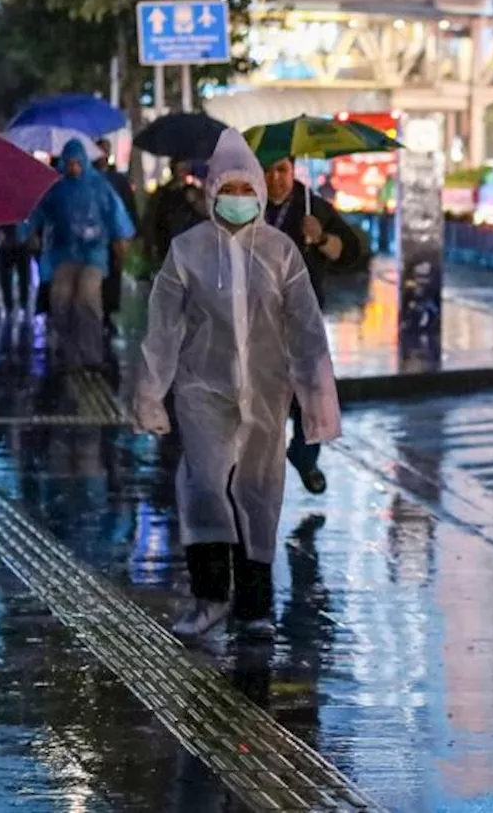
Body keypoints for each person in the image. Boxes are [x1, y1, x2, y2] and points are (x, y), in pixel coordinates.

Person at [133, 128, 341, 639]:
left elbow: (307, 327)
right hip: (202, 388)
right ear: (211, 192)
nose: (239, 200)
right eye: (229, 190)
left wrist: (317, 394)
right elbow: (163, 326)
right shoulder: (187, 251)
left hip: (267, 391)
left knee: (259, 493)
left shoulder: (280, 251)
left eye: (248, 191)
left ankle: (254, 607)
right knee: (205, 486)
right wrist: (150, 392)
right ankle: (209, 597)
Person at [263, 156, 362, 495]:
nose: (275, 178)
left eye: (282, 170)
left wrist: (320, 239)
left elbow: (350, 253)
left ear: (293, 171)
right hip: (257, 319)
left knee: (313, 393)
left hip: (303, 316)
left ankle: (305, 456)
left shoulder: (314, 207)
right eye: (268, 171)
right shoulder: (247, 206)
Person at [23, 139, 134, 372]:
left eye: (77, 163)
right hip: (62, 254)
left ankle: (91, 353)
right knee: (61, 301)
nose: (73, 168)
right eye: (70, 163)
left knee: (88, 301)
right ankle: (67, 351)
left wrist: (120, 241)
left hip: (93, 254)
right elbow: (37, 211)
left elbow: (115, 214)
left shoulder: (99, 186)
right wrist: (29, 232)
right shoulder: (56, 188)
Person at [95, 139, 139, 333]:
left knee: (113, 275)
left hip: (113, 237)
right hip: (96, 238)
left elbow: (128, 206)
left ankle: (109, 312)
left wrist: (129, 233)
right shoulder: (91, 179)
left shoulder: (118, 180)